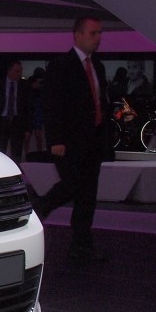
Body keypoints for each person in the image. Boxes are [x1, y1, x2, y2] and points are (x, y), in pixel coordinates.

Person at [32, 17, 113, 261]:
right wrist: (56, 139)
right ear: (78, 35)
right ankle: (40, 209)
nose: (98, 38)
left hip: (93, 141)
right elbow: (52, 104)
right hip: (69, 142)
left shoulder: (97, 66)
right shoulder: (61, 65)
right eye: (93, 33)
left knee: (87, 194)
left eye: (99, 33)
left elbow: (99, 102)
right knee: (73, 185)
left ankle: (81, 246)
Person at [0, 58, 32, 163]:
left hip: (18, 122)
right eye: (17, 71)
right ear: (9, 71)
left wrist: (28, 128)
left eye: (20, 71)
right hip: (2, 121)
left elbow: (29, 108)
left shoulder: (24, 86)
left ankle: (16, 171)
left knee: (16, 153)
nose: (20, 74)